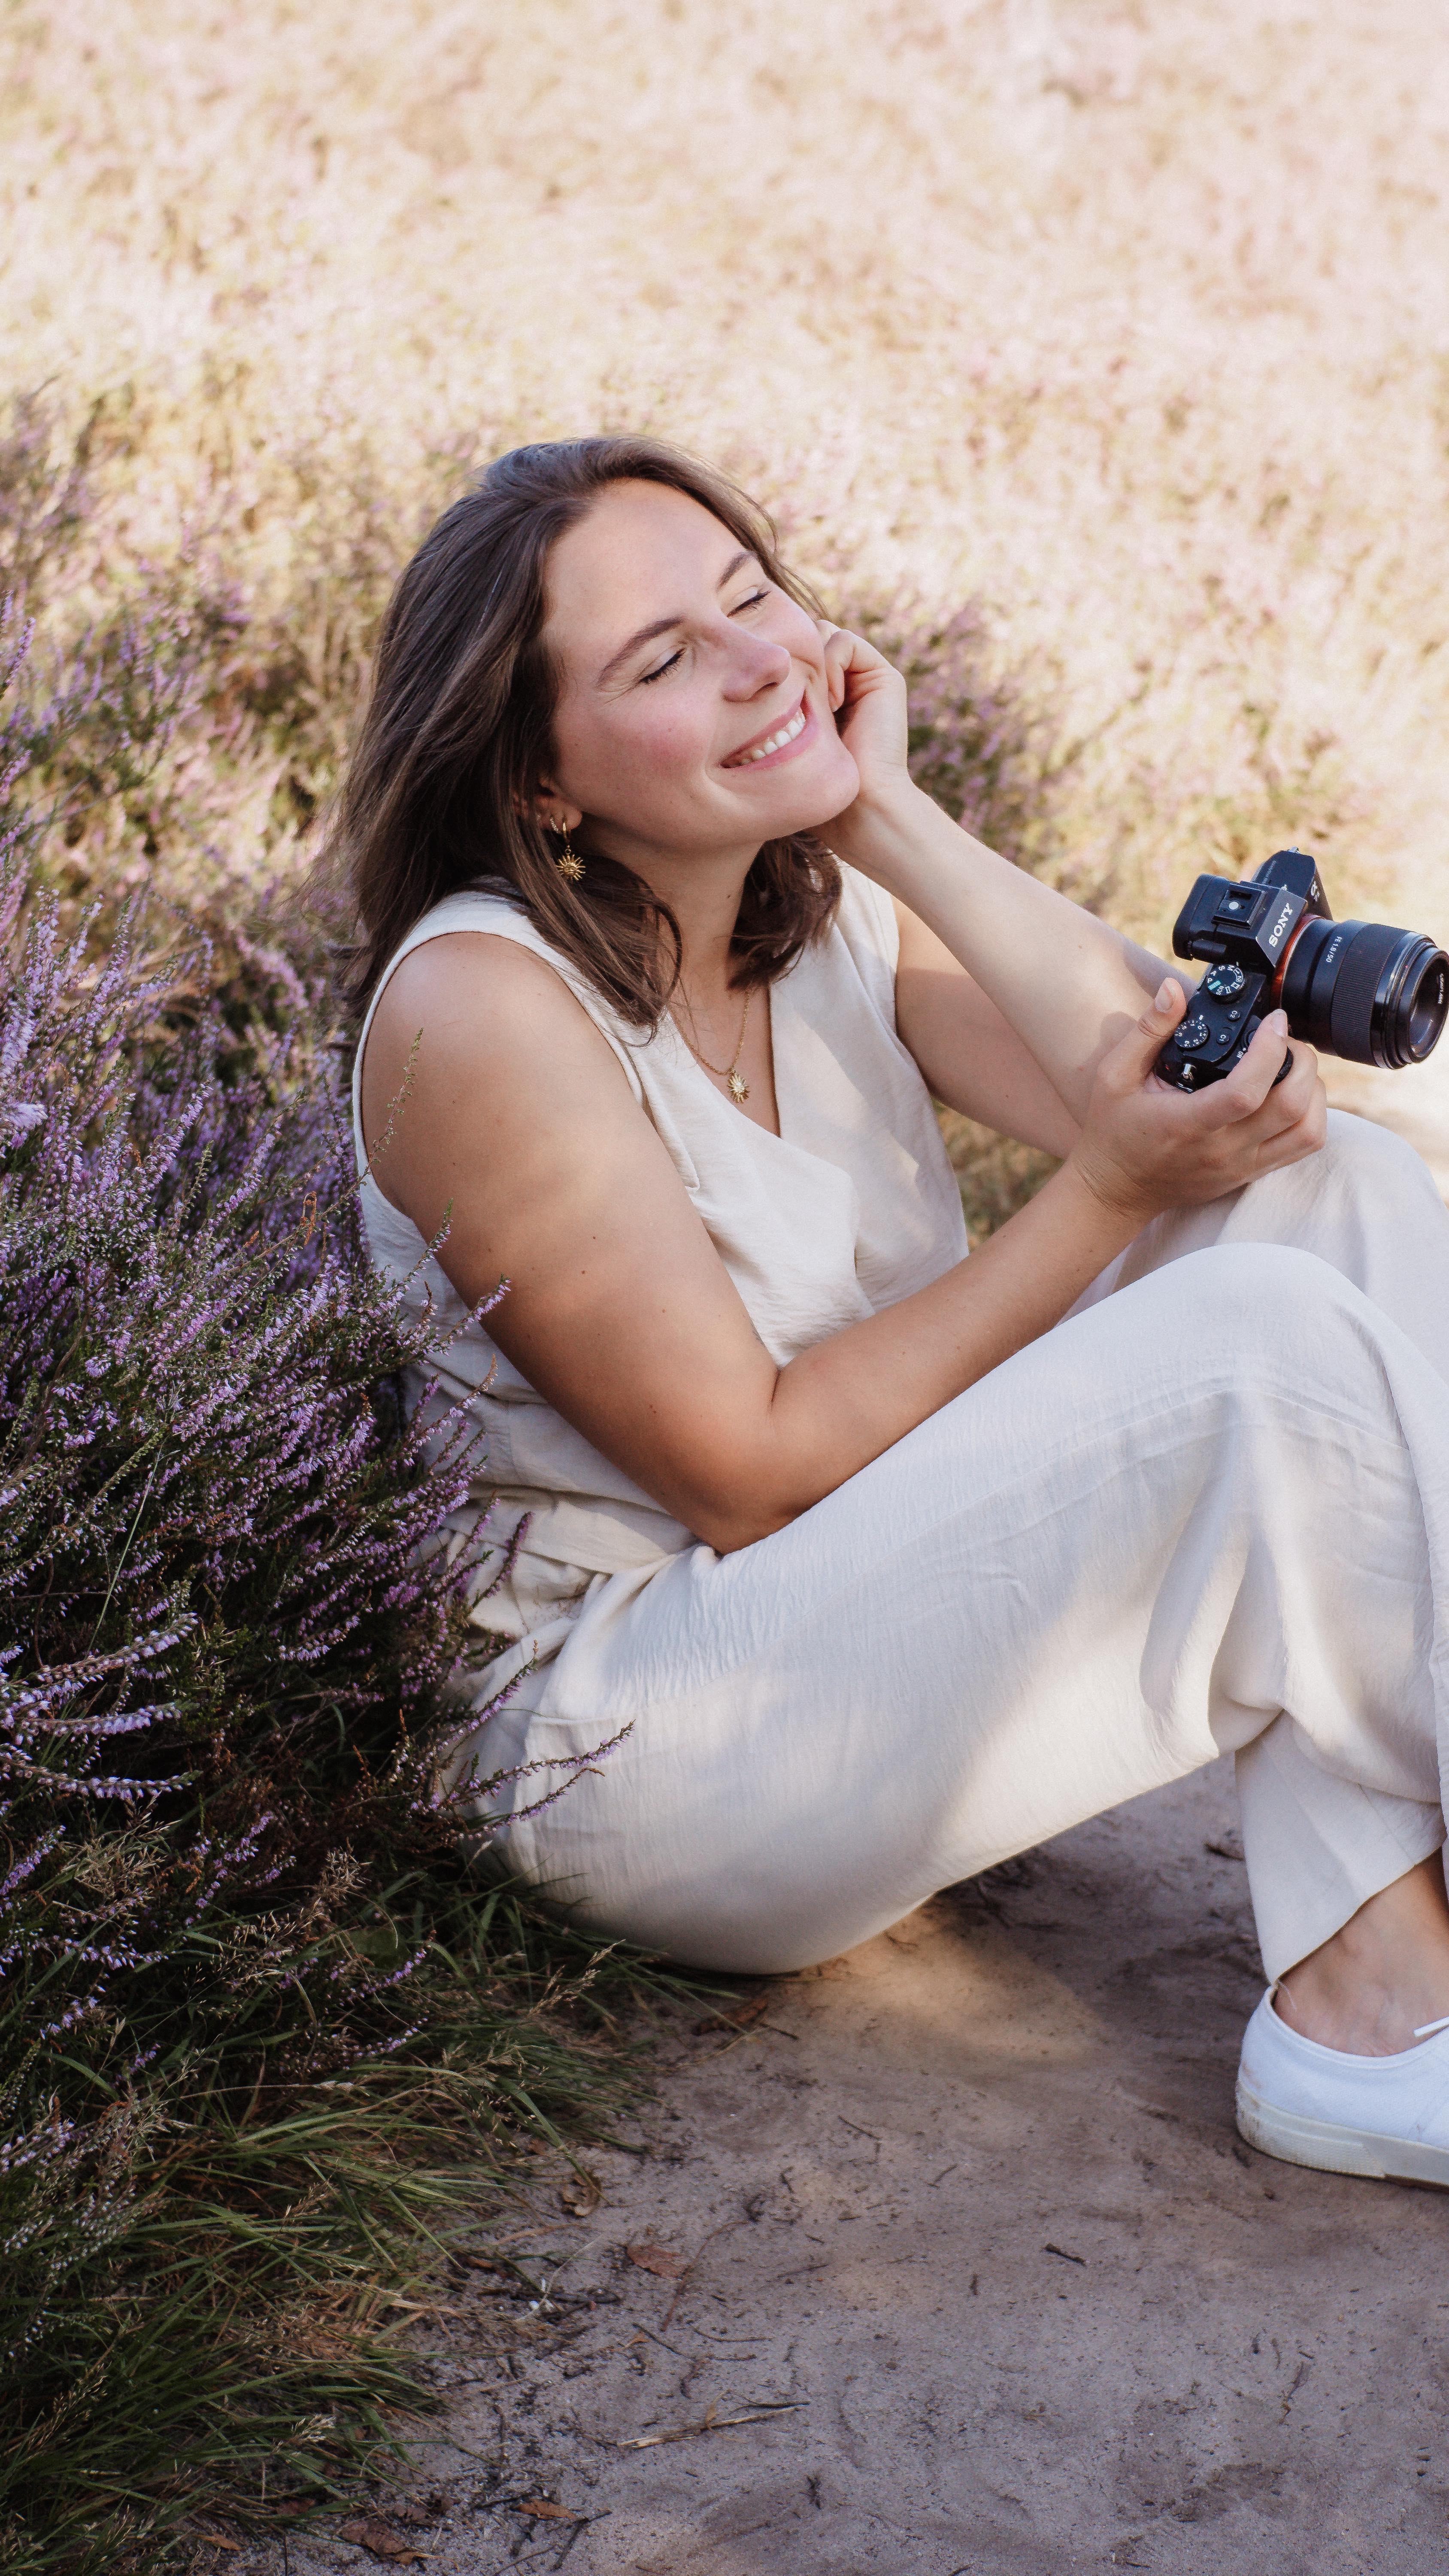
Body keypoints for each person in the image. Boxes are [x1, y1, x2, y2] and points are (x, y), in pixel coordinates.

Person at [336, 435, 1449, 2189]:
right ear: (538, 778)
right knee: (1260, 1352)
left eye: (751, 596)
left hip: (860, 1615)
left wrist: (886, 817)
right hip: (643, 1741)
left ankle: (1370, 2001)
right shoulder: (479, 1010)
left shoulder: (819, 896)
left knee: (1336, 1197)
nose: (760, 661)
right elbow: (744, 1476)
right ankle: (1379, 1995)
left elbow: (1213, 1097)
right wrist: (1103, 1199)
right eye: (663, 660)